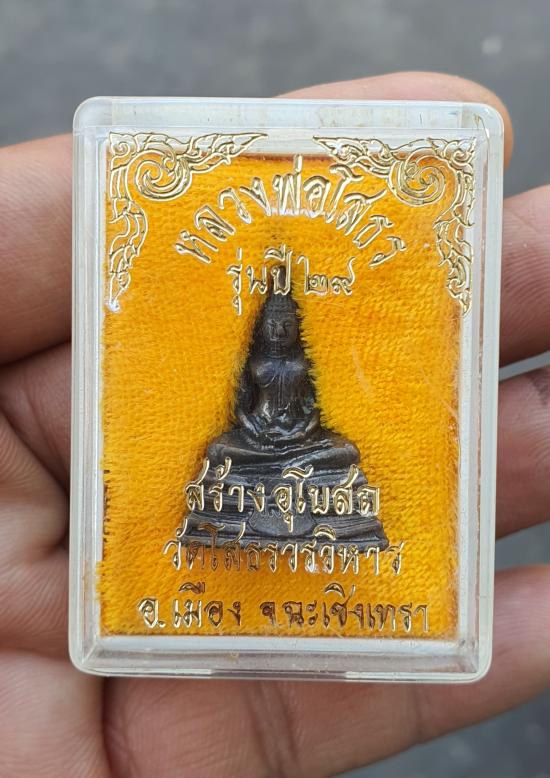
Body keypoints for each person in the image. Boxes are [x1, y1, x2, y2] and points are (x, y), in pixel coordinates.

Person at [0, 72, 548, 777]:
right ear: (267, 331)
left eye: (290, 326)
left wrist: (298, 431)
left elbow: (308, 410)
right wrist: (263, 431)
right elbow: (245, 409)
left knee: (338, 450)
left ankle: (311, 509)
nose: (284, 334)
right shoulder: (259, 361)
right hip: (255, 441)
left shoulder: (303, 364)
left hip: (303, 445)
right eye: (277, 327)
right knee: (223, 450)